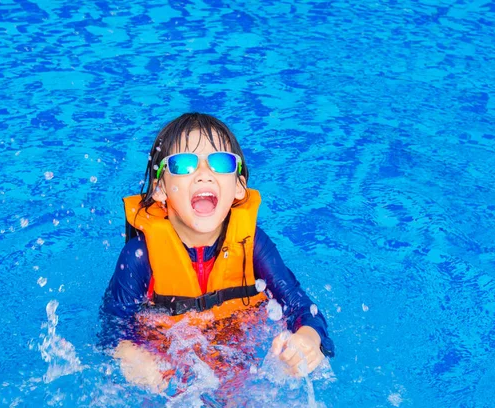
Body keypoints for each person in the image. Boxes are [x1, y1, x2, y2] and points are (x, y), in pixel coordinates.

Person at [99, 113, 334, 393]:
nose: (203, 174)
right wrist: (130, 355)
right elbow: (111, 329)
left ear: (238, 186)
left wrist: (308, 340)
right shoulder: (140, 256)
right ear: (160, 188)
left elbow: (302, 307)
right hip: (162, 368)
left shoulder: (252, 245)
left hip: (234, 359)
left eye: (221, 163)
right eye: (184, 164)